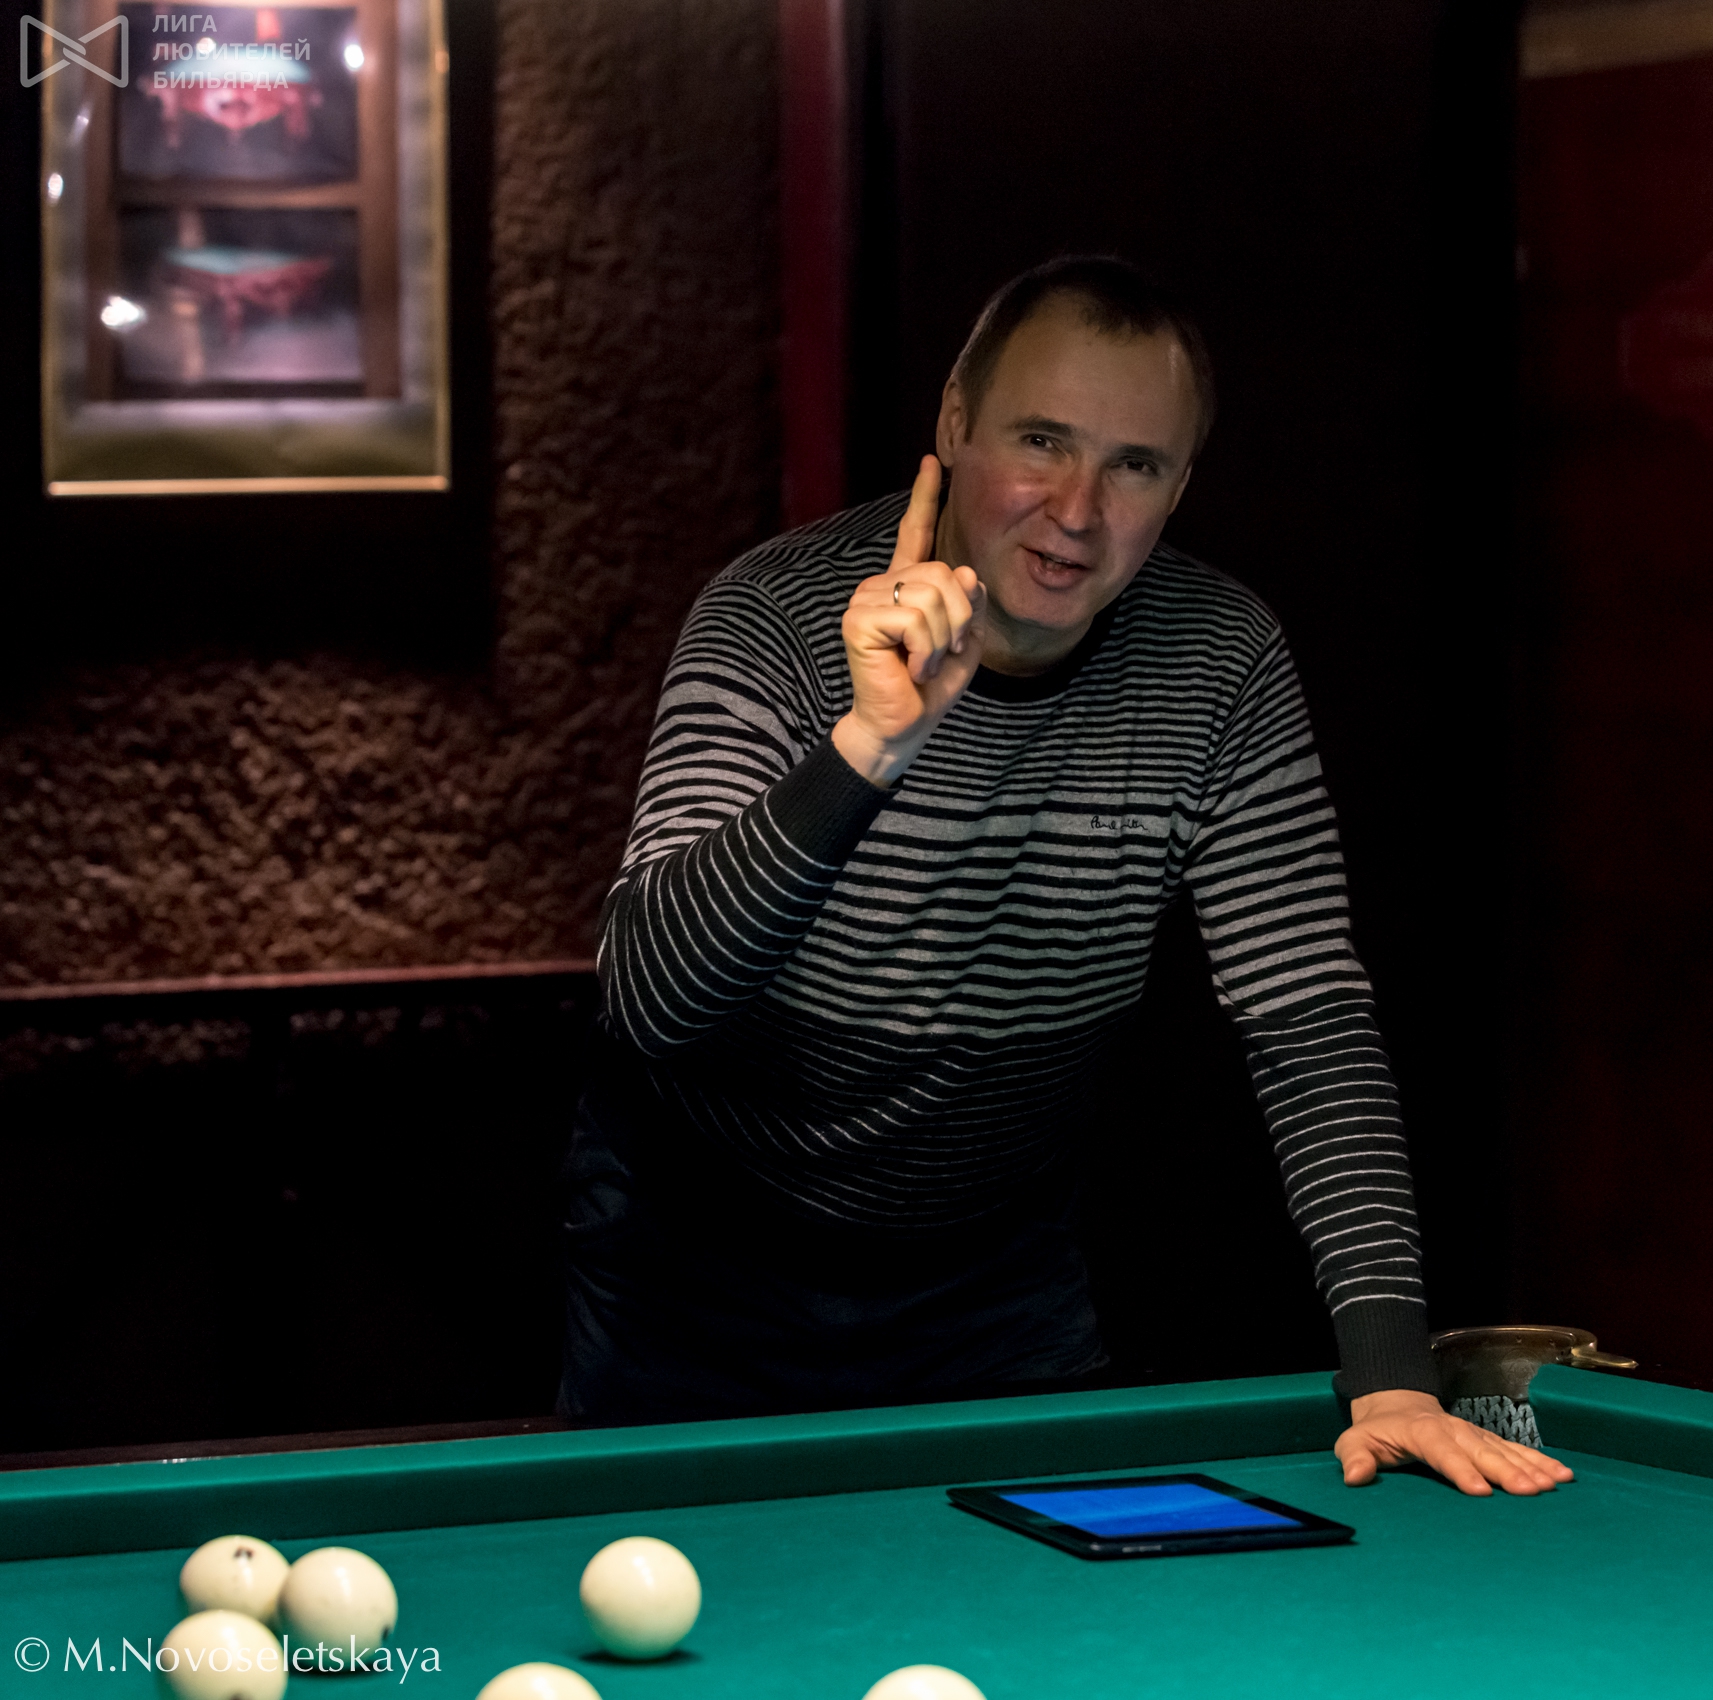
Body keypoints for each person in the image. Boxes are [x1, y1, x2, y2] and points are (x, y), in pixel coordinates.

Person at [559, 256, 1568, 1497]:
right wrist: (869, 747)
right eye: (1041, 441)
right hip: (700, 1269)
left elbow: (1306, 1016)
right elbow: (650, 1000)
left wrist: (1391, 1371)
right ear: (955, 424)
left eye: (1134, 465)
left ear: (1179, 486)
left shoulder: (1222, 658)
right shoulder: (773, 617)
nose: (1078, 510)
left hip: (991, 1276)